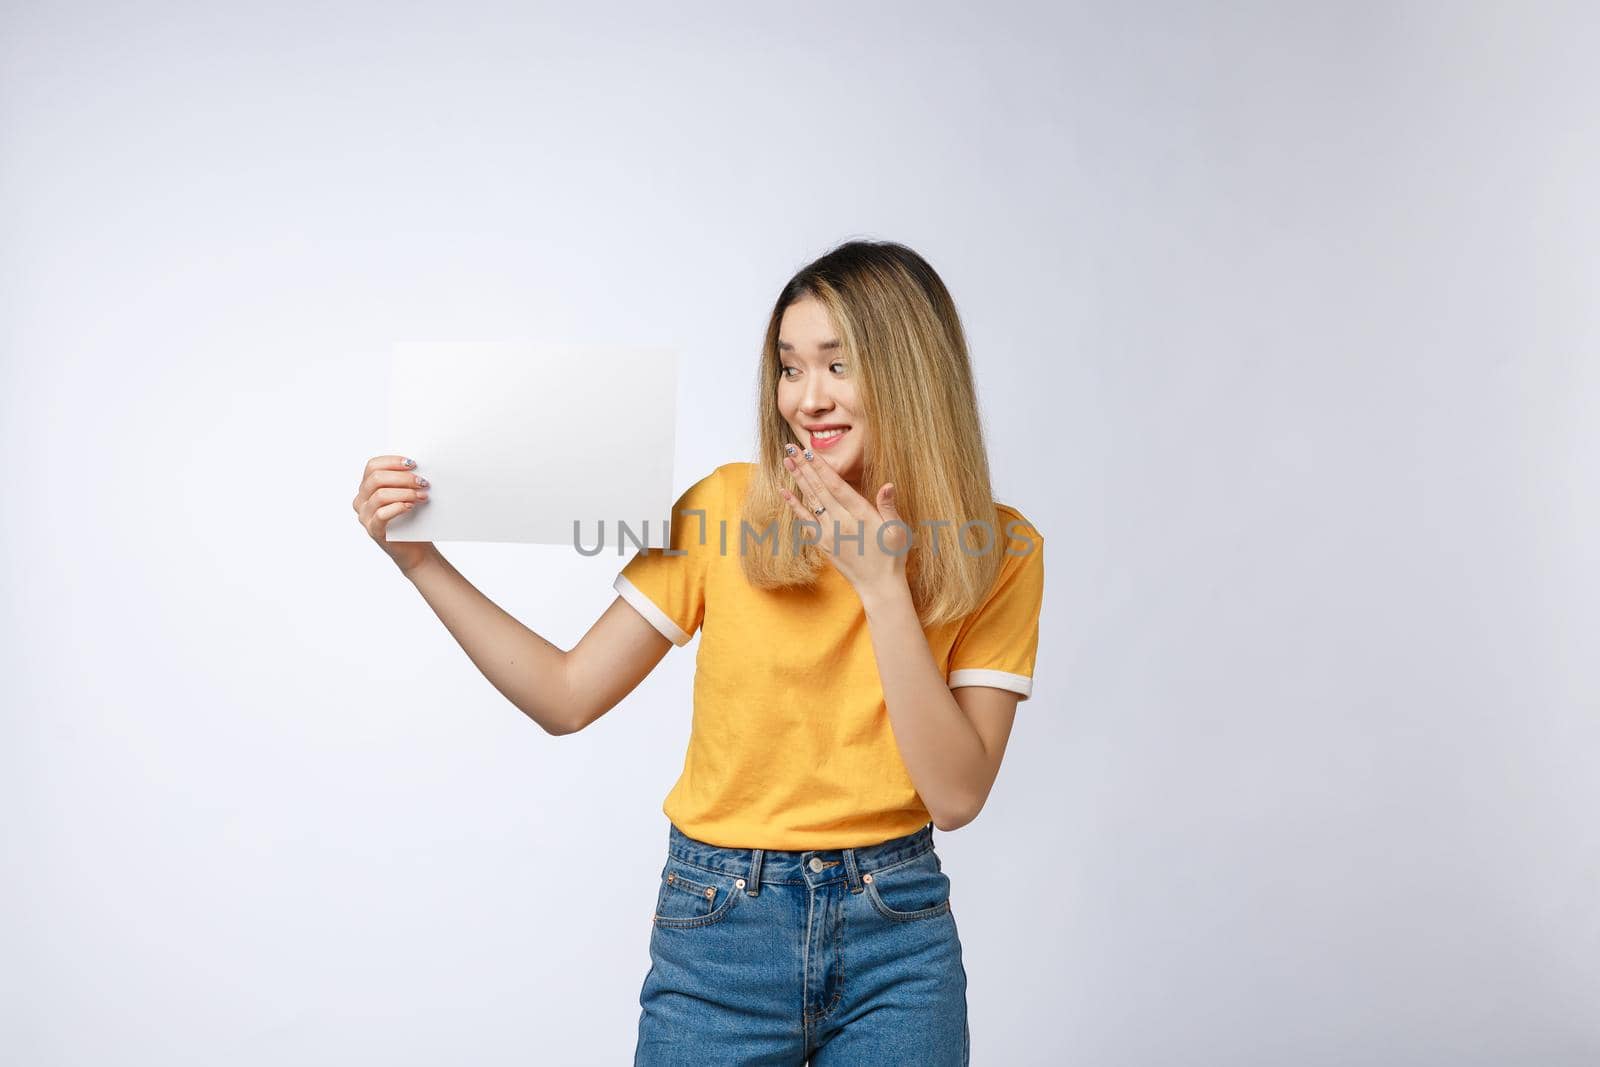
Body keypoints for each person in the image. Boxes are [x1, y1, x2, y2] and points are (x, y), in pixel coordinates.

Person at [352, 239, 1044, 1065]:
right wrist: (420, 560)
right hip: (719, 930)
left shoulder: (1000, 547)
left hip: (897, 940)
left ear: (910, 370)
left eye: (837, 365)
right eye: (789, 369)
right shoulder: (724, 510)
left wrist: (883, 588)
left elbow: (957, 794)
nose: (807, 398)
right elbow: (565, 694)